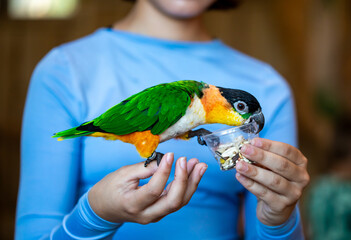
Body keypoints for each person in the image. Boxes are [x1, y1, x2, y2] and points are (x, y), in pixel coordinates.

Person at [15, 0, 310, 239]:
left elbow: (268, 227)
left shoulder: (269, 86)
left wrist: (279, 220)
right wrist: (96, 215)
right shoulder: (63, 70)